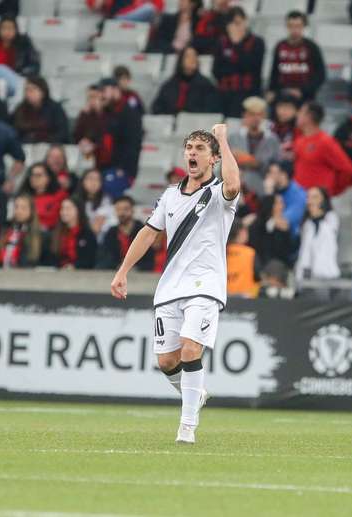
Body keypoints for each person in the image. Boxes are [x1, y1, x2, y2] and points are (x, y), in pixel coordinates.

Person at [111, 124, 240, 444]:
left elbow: (234, 183)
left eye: (200, 149)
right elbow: (149, 233)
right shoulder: (169, 195)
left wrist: (223, 140)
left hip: (206, 285)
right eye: (190, 148)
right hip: (171, 287)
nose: (192, 153)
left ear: (213, 159)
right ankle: (196, 394)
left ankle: (187, 427)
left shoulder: (218, 193)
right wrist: (123, 270)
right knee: (167, 361)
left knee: (190, 348)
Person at [293, 102, 352, 196]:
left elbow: (347, 169)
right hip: (299, 197)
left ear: (309, 117)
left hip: (317, 200)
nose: (297, 114)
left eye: (301, 112)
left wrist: (334, 190)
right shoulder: (299, 139)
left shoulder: (325, 142)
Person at [212, 7, 265, 118]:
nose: (236, 28)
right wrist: (235, 68)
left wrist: (237, 44)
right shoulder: (221, 43)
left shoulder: (257, 42)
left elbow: (251, 68)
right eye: (232, 24)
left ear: (245, 22)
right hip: (224, 93)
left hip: (248, 93)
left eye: (238, 23)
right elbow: (217, 71)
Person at [267, 10, 326, 105]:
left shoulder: (311, 47)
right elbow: (274, 72)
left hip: (305, 97)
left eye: (298, 26)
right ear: (287, 27)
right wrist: (271, 90)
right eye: (291, 26)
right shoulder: (280, 46)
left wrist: (303, 91)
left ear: (304, 26)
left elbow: (320, 75)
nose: (294, 30)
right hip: (282, 95)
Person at [227, 96, 281, 193]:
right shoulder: (234, 138)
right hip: (237, 187)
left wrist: (246, 159)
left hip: (263, 185)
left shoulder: (272, 139)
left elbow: (275, 165)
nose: (256, 118)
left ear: (264, 115)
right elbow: (226, 164)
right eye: (251, 114)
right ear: (244, 115)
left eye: (259, 114)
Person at [0, 14, 40, 100]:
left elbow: (34, 66)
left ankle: (18, 90)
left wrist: (19, 74)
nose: (7, 31)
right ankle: (21, 90)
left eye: (10, 28)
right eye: (4, 28)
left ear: (16, 30)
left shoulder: (24, 42)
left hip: (18, 78)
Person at [152, 45, 220, 115]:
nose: (192, 59)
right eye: (188, 56)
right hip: (168, 124)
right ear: (181, 60)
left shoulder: (206, 85)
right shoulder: (169, 85)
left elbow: (210, 110)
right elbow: (157, 108)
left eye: (194, 56)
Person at [295, 186, 340, 282]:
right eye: (308, 197)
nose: (310, 201)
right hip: (306, 274)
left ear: (323, 200)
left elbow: (329, 236)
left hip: (327, 274)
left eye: (314, 197)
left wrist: (317, 216)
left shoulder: (331, 218)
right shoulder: (306, 223)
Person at [99, 195, 154, 270]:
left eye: (126, 209)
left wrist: (136, 268)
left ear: (132, 210)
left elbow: (150, 259)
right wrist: (117, 266)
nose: (122, 213)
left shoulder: (143, 231)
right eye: (118, 209)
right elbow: (104, 258)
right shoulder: (111, 233)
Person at [11, 76, 69, 144]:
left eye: (33, 89)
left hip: (51, 146)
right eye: (26, 90)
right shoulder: (20, 109)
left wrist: (47, 142)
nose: (29, 93)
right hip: (25, 145)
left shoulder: (55, 108)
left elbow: (62, 132)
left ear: (43, 91)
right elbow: (14, 131)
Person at [45, 197, 97, 269]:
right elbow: (51, 258)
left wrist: (74, 267)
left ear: (78, 210)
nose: (64, 212)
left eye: (68, 209)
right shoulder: (55, 233)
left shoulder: (88, 234)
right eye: (62, 209)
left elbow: (90, 259)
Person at [18, 162, 68, 231]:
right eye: (31, 175)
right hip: (25, 232)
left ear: (48, 177)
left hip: (51, 234)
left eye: (38, 175)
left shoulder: (60, 195)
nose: (34, 178)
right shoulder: (24, 196)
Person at [0, 194, 43, 268]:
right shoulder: (6, 229)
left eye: (23, 208)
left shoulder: (40, 235)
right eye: (16, 207)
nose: (18, 211)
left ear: (32, 211)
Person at [73, 84, 111, 172]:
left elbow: (106, 135)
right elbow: (76, 136)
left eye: (94, 97)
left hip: (104, 155)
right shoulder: (85, 115)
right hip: (86, 153)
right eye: (89, 97)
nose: (91, 100)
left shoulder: (109, 115)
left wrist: (99, 112)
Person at [74, 168, 115, 243]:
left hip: (99, 239)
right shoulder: (74, 200)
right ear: (82, 181)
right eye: (90, 179)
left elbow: (96, 228)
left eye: (97, 179)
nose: (93, 182)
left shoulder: (106, 200)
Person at [226, 219, 258, 298]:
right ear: (241, 232)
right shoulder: (250, 253)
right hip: (245, 298)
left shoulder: (221, 251)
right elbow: (258, 276)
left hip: (223, 296)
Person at [270, 94, 299, 162]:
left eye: (288, 107)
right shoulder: (268, 127)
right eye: (280, 106)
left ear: (297, 111)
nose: (284, 110)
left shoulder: (300, 131)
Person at [87, 0, 164, 22]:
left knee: (149, 9)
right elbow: (95, 6)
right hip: (116, 19)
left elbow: (157, 8)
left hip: (141, 23)